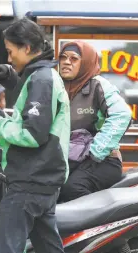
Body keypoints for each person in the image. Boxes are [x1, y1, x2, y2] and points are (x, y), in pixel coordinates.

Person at [0, 17, 70, 253]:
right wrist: (9, 77)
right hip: (43, 179)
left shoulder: (42, 80)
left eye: (10, 51)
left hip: (30, 180)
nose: (8, 58)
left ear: (26, 48)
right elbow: (28, 111)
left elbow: (30, 133)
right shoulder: (43, 76)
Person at [57, 41, 132, 202]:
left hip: (103, 161)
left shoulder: (97, 84)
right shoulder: (57, 85)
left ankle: (99, 226)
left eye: (74, 58)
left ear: (85, 62)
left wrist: (96, 152)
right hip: (70, 159)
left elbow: (122, 114)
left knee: (72, 188)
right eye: (63, 57)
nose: (66, 62)